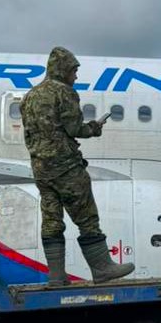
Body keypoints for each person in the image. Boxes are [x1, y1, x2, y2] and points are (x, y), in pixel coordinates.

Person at [21, 46, 135, 286]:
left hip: (41, 168)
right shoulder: (64, 93)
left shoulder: (30, 95)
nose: (76, 76)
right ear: (63, 70)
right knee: (87, 218)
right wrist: (93, 128)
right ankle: (102, 269)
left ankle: (56, 276)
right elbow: (74, 129)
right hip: (66, 167)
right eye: (74, 71)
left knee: (52, 219)